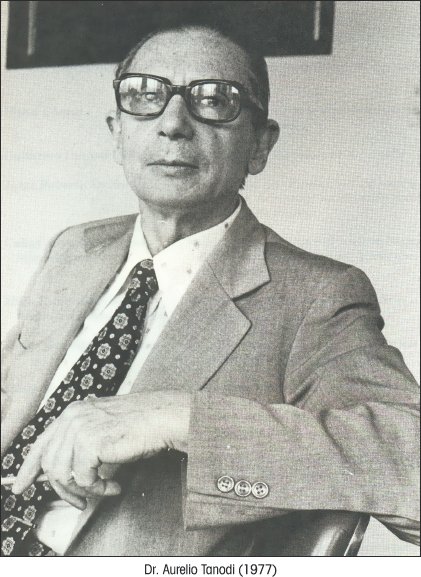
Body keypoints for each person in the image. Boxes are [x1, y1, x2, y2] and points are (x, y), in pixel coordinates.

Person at [1, 23, 419, 557]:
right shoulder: (76, 249)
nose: (173, 124)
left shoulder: (316, 295)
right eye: (145, 96)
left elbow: (410, 468)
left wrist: (177, 419)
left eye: (215, 100)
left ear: (259, 146)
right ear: (117, 133)